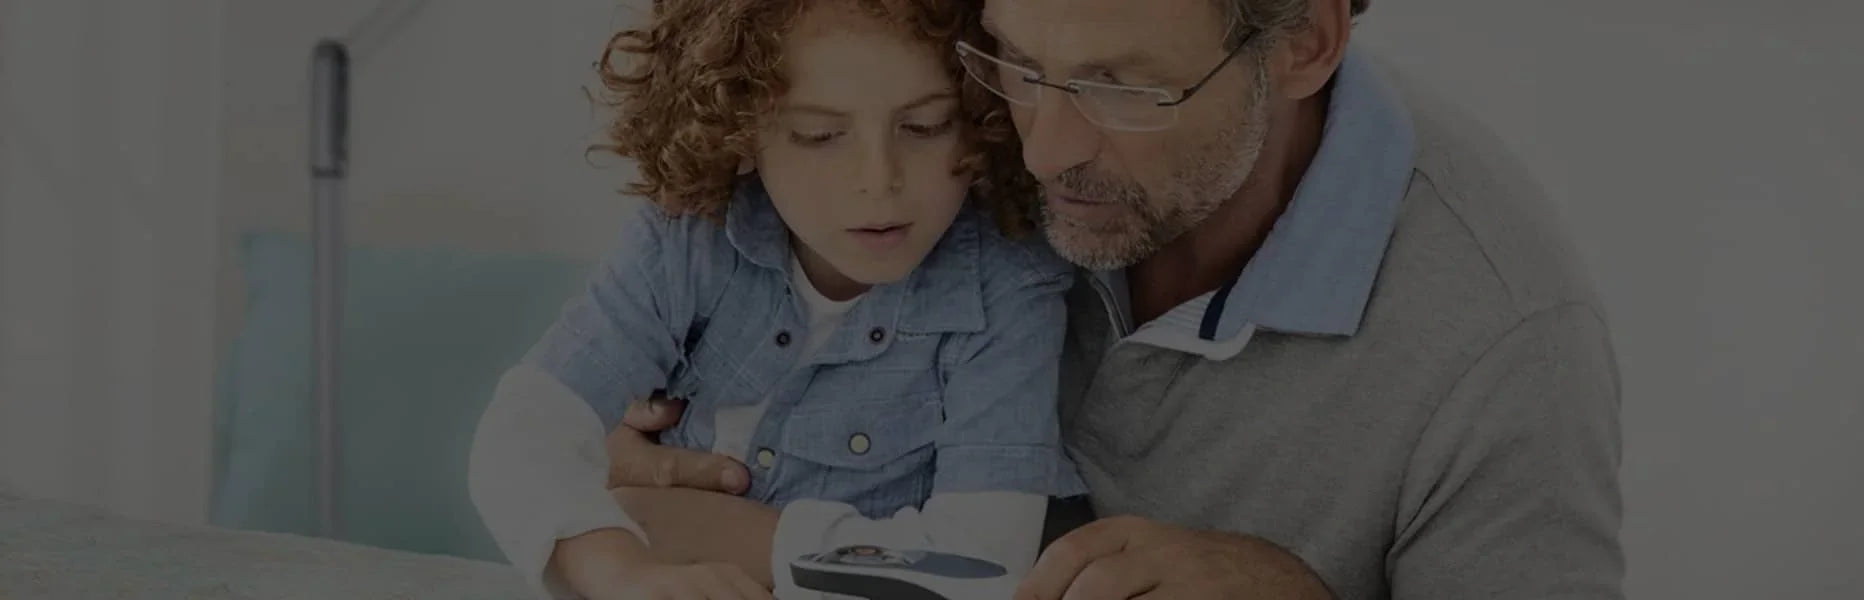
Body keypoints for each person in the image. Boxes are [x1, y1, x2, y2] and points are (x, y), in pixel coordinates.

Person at [603, 0, 1626, 597]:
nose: (1040, 152)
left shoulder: (1504, 346)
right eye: (1018, 64)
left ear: (1305, 42)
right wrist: (634, 443)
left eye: (1123, 90)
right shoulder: (945, 96)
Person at [463, 0, 1085, 598]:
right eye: (819, 135)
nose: (879, 180)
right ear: (739, 128)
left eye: (925, 126)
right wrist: (618, 569)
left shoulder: (1008, 289)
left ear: (984, 116)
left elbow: (981, 566)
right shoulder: (685, 242)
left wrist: (702, 529)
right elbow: (524, 431)